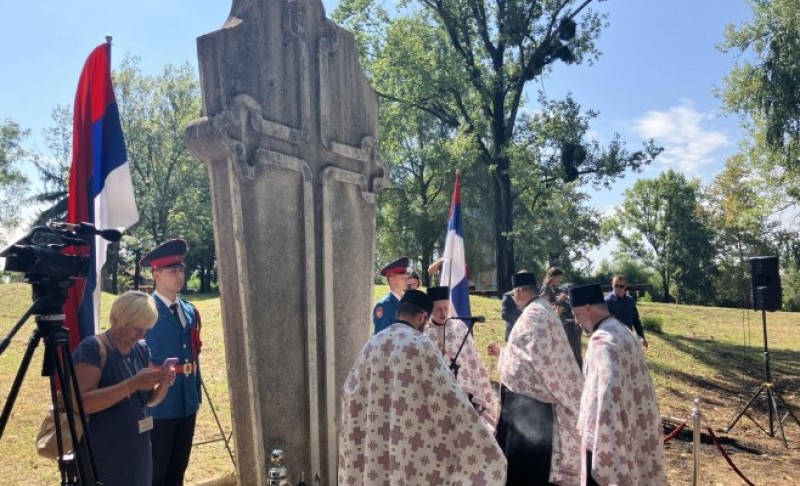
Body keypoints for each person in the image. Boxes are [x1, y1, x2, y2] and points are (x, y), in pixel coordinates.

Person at [339, 290, 507, 485]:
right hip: (409, 441)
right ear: (422, 317)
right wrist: (481, 439)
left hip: (377, 439)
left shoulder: (373, 343)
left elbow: (350, 392)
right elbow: (448, 396)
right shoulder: (420, 344)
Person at [488, 272, 583, 485]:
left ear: (520, 291)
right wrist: (502, 354)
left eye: (514, 295)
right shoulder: (544, 310)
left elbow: (534, 362)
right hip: (538, 403)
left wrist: (506, 358)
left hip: (530, 409)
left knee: (526, 469)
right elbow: (525, 356)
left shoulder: (533, 315)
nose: (514, 299)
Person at [569, 283, 666, 485]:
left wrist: (601, 440)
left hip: (608, 435)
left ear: (587, 308)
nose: (577, 321)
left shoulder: (602, 341)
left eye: (577, 314)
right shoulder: (621, 330)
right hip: (632, 426)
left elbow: (606, 395)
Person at [73, 291, 173, 486]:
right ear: (118, 319)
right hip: (104, 453)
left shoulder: (141, 348)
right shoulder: (94, 348)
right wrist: (133, 384)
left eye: (146, 329)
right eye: (136, 328)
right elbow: (80, 403)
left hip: (138, 449)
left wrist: (163, 383)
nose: (142, 335)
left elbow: (147, 400)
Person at [140, 239, 203, 486]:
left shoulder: (189, 310)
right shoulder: (144, 311)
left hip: (187, 401)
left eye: (181, 270)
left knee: (178, 468)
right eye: (172, 271)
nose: (180, 276)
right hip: (159, 404)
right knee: (157, 471)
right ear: (156, 274)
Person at [423, 286, 498, 426]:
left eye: (446, 307)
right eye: (438, 308)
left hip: (462, 391)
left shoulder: (460, 327)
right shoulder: (423, 332)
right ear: (429, 309)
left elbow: (473, 359)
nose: (443, 312)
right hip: (433, 393)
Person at [541, 267, 582, 366]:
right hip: (554, 323)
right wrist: (559, 301)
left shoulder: (555, 289)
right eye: (559, 278)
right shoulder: (545, 289)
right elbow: (544, 307)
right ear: (552, 277)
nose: (560, 280)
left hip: (562, 322)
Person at [605, 273, 648, 349]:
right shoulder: (607, 301)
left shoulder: (630, 300)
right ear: (612, 285)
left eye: (621, 286)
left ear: (625, 286)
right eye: (616, 286)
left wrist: (642, 337)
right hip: (612, 341)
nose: (618, 288)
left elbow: (635, 320)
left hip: (628, 339)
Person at [372, 256, 410, 334]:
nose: (407, 281)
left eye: (407, 278)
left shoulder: (406, 303)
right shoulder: (384, 305)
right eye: (403, 278)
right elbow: (381, 337)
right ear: (392, 279)